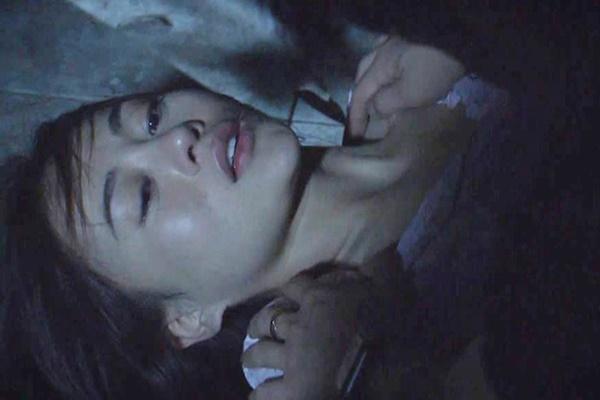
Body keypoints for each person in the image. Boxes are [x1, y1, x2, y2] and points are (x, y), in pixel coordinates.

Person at [0, 36, 472, 399]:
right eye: (142, 197)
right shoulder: (436, 320)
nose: (177, 137)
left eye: (151, 118)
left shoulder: (403, 67)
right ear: (185, 321)